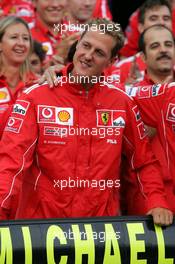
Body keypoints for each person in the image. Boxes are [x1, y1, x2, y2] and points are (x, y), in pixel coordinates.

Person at [0, 18, 173, 225]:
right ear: (77, 45)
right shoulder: (36, 96)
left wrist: (156, 201)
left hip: (99, 231)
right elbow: (11, 162)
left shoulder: (121, 102)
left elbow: (142, 162)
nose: (88, 56)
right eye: (86, 45)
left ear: (111, 62)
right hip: (43, 229)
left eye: (99, 52)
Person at [121, 24, 175, 214]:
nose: (163, 50)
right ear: (142, 57)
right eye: (155, 46)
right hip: (149, 202)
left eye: (168, 44)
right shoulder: (129, 97)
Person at [0, 16, 36, 219]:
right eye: (14, 37)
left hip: (27, 184)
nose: (21, 43)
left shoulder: (39, 85)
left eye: (25, 38)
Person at [116, 0, 173, 85]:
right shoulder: (121, 69)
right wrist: (126, 90)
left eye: (166, 18)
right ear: (141, 27)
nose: (161, 23)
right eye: (153, 18)